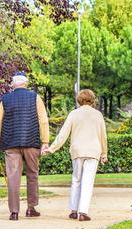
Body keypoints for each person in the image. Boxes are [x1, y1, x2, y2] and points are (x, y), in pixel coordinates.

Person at [0, 71, 50, 221]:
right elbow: (43, 121)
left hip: (11, 143)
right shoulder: (35, 97)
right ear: (26, 83)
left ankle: (14, 212)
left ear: (13, 84)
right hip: (31, 142)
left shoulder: (5, 99)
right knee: (32, 175)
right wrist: (45, 141)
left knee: (13, 177)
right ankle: (31, 208)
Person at [44, 89, 108, 221]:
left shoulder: (74, 114)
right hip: (93, 151)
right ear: (92, 100)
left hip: (77, 151)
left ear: (79, 100)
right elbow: (103, 136)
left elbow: (63, 134)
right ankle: (83, 212)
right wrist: (104, 153)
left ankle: (73, 210)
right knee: (87, 182)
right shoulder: (98, 115)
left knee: (76, 180)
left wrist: (52, 148)